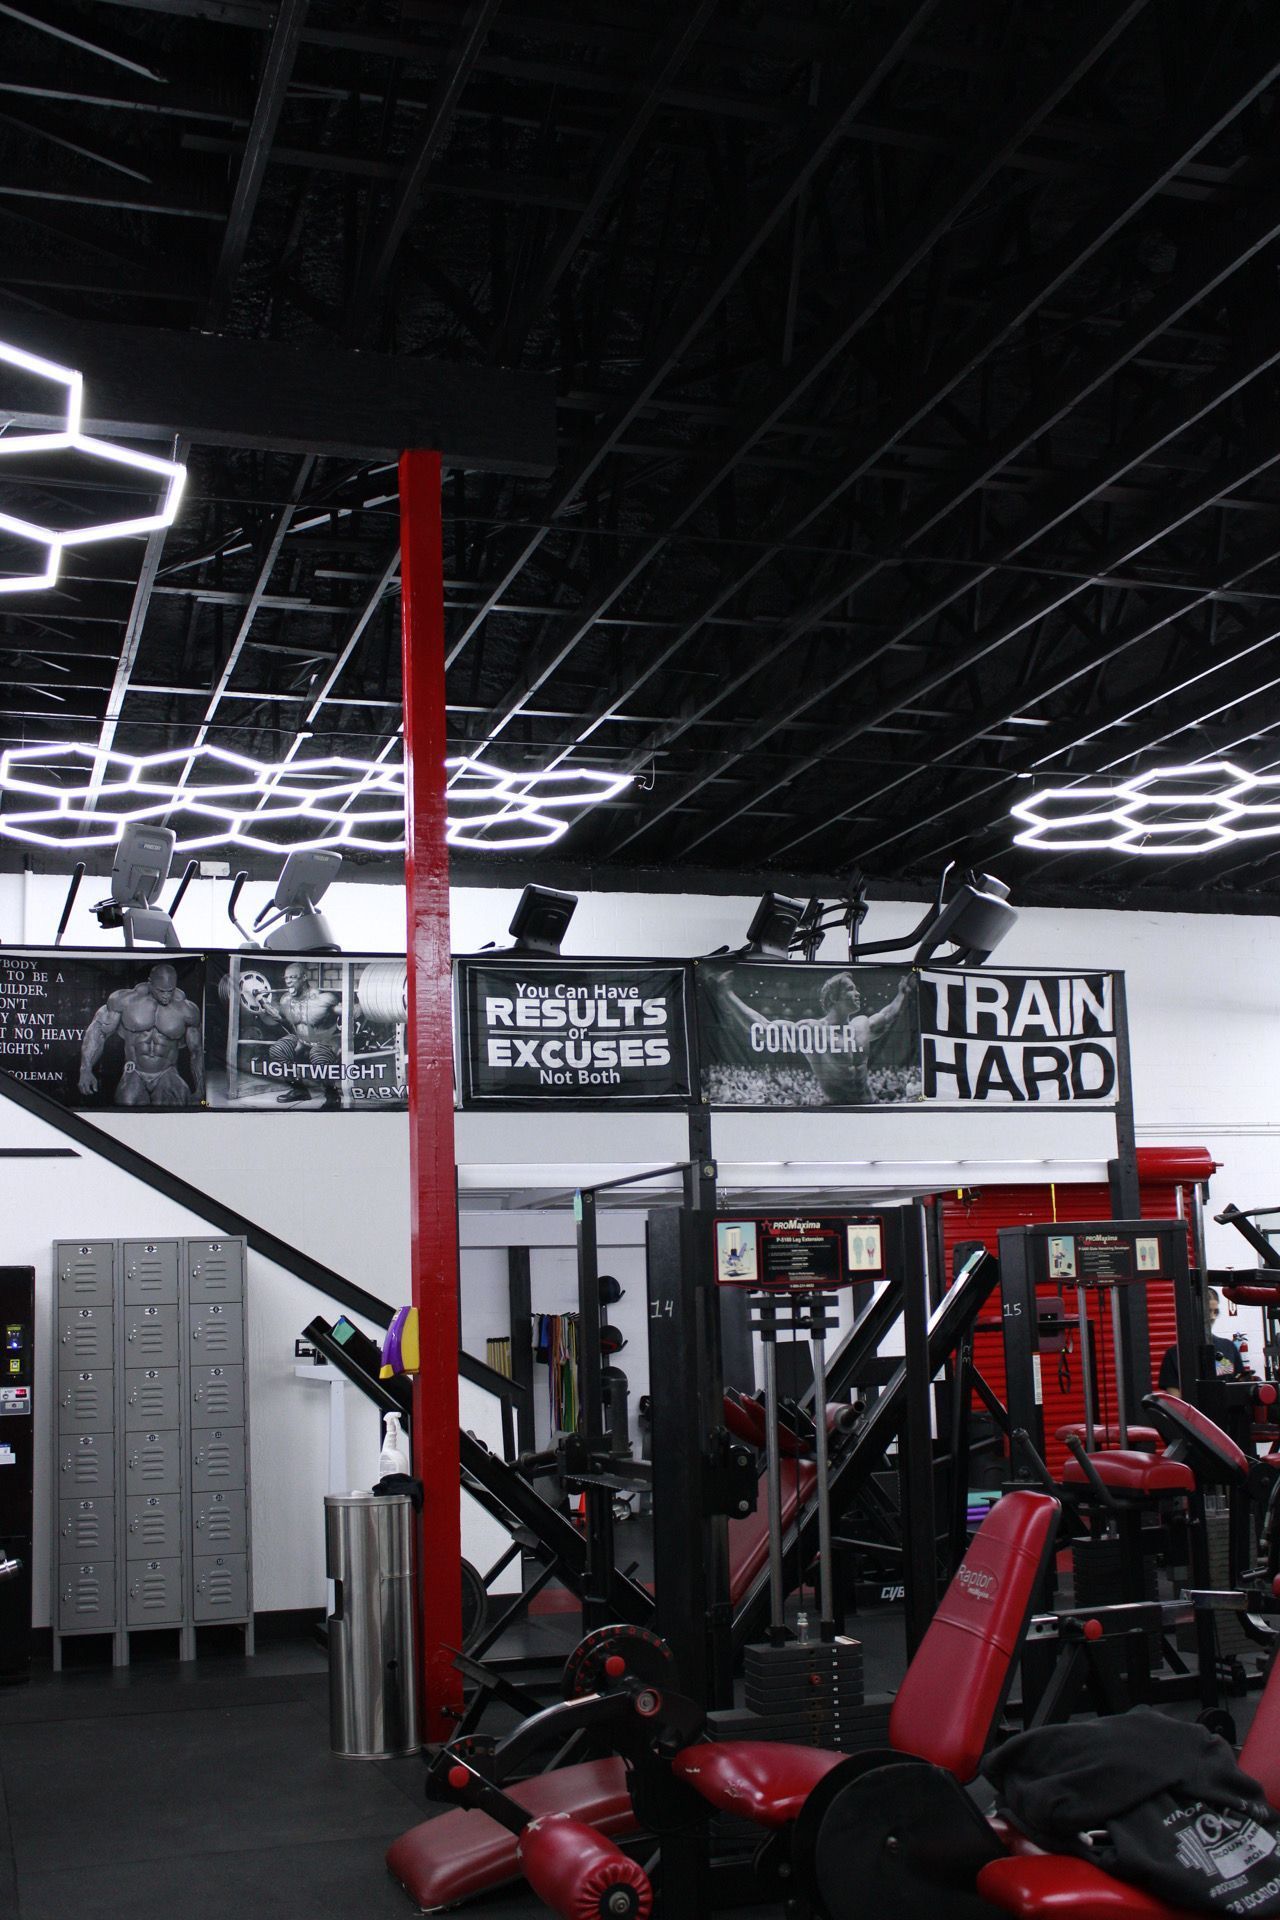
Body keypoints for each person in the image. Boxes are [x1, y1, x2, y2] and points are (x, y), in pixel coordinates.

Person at [717, 969, 908, 1103]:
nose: (858, 993)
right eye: (851, 989)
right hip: (833, 1112)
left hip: (870, 1105)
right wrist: (727, 993)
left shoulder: (862, 1025)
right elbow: (764, 1030)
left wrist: (902, 993)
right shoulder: (813, 1031)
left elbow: (888, 1015)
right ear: (833, 997)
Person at [78, 961, 204, 1106]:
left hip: (167, 1071)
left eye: (170, 991)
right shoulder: (124, 1001)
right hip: (134, 1070)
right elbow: (98, 1033)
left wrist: (200, 1090)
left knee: (172, 1105)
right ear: (150, 983)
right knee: (128, 1103)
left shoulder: (187, 1010)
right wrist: (85, 1069)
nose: (166, 996)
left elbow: (197, 1051)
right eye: (161, 991)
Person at [259, 962, 342, 1107]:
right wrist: (271, 1011)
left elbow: (350, 1013)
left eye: (293, 977)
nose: (288, 981)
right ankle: (299, 1090)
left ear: (304, 977)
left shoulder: (323, 998)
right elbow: (288, 1023)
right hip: (302, 1040)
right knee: (277, 1049)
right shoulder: (286, 1000)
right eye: (286, 978)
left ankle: (332, 1095)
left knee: (318, 1053)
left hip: (325, 1041)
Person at [1157, 1287, 1250, 1394]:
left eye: (1215, 1312)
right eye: (1208, 1311)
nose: (1212, 1317)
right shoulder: (1175, 1354)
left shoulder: (1228, 1347)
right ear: (1194, 1312)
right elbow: (1175, 1401)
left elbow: (1238, 1386)